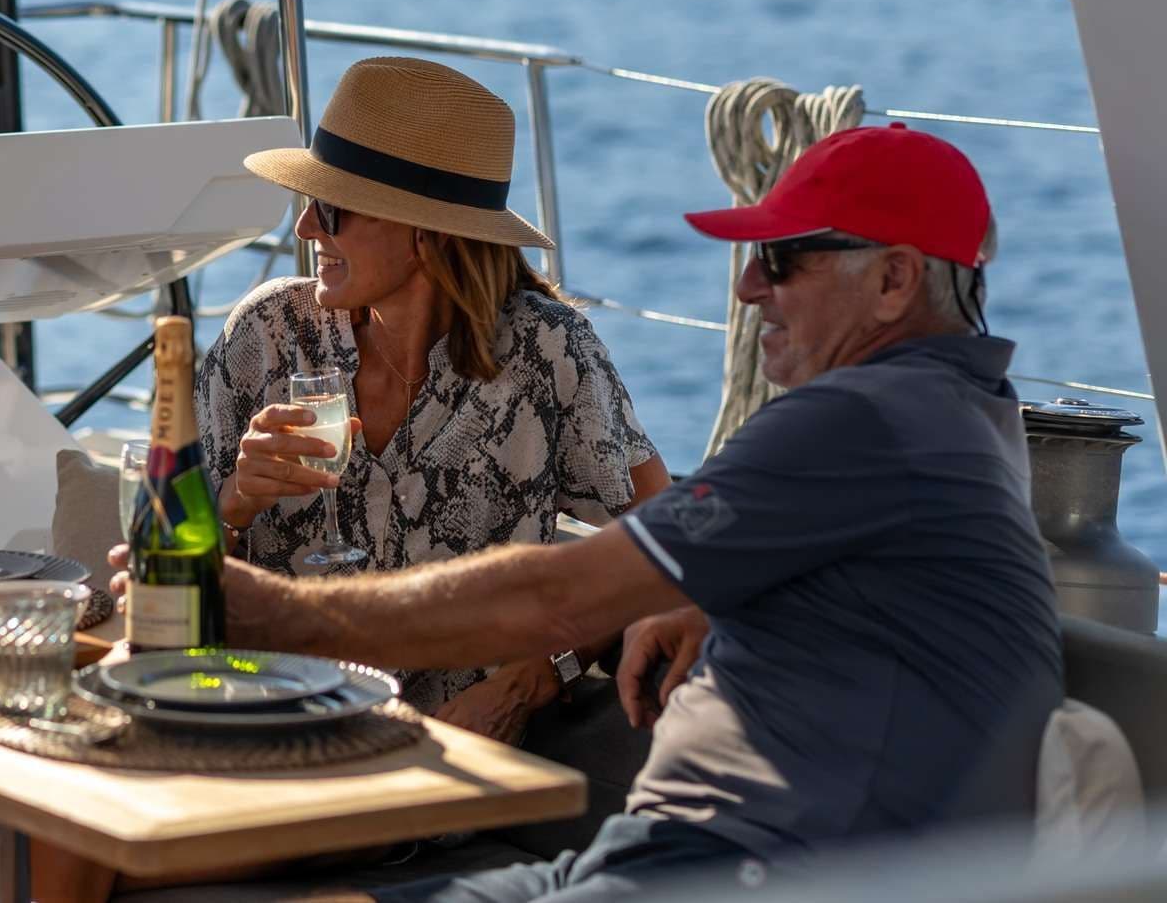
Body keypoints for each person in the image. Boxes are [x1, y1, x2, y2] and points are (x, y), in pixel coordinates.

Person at [144, 122, 1062, 901]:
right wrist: (706, 586)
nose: (746, 290)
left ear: (896, 282)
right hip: (664, 850)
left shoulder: (860, 420)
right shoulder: (958, 416)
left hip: (732, 865)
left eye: (779, 260)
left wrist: (264, 608)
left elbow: (560, 597)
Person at [205, 57, 670, 736]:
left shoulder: (546, 353)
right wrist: (235, 502)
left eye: (330, 206)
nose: (306, 227)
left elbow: (658, 550)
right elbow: (164, 574)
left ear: (424, 231)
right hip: (272, 728)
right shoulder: (267, 336)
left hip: (458, 756)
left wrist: (539, 675)